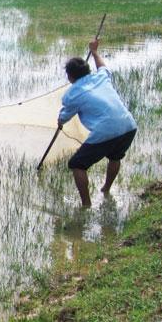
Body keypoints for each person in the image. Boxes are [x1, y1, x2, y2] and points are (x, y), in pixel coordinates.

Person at [58, 39, 137, 207]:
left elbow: (64, 116)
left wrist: (60, 122)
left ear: (70, 76)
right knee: (115, 156)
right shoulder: (101, 77)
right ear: (87, 71)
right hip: (129, 126)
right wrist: (94, 52)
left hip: (107, 131)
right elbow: (103, 66)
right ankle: (106, 189)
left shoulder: (72, 94)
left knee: (77, 164)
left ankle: (86, 205)